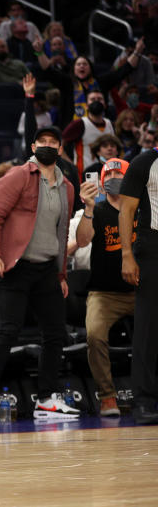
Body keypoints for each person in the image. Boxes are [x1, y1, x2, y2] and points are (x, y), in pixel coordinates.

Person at [0, 126, 78, 422]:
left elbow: (62, 232)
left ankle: (46, 398)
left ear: (60, 148)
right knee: (8, 330)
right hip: (15, 267)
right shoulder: (18, 175)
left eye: (52, 142)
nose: (46, 145)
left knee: (56, 332)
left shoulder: (67, 186)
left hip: (46, 268)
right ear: (32, 146)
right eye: (41, 141)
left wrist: (61, 274)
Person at [73, 159, 134, 417]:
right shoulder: (96, 211)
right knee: (94, 335)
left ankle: (148, 392)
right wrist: (87, 208)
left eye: (118, 174)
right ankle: (108, 397)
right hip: (104, 293)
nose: (112, 178)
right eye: (107, 174)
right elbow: (82, 240)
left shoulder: (143, 209)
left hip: (141, 290)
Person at [119, 147, 158, 424]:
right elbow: (126, 210)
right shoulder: (144, 162)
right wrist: (127, 255)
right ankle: (143, 400)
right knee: (147, 326)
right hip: (152, 246)